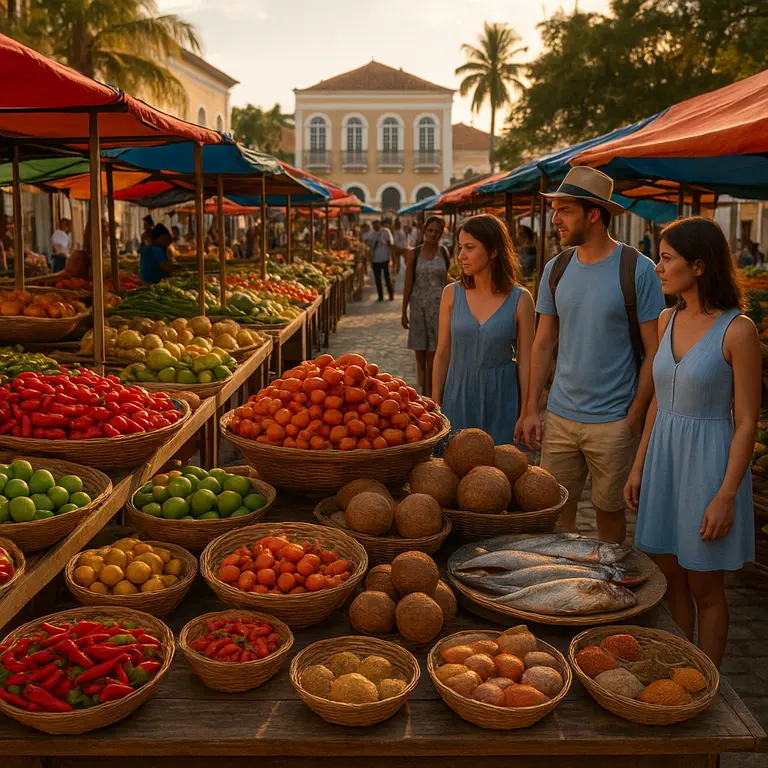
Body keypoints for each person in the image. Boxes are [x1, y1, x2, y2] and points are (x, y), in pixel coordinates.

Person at [625, 217, 760, 668]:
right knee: (671, 577)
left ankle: (711, 687)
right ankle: (678, 673)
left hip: (709, 465)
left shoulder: (738, 331)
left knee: (706, 586)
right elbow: (659, 406)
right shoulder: (666, 319)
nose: (657, 267)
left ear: (699, 265)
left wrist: (726, 496)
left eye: (666, 258)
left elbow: (745, 422)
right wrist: (639, 466)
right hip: (664, 460)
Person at [516, 167, 666, 544]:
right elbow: (543, 342)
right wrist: (532, 407)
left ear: (593, 214)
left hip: (614, 422)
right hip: (561, 418)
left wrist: (632, 418)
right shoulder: (556, 268)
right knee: (555, 515)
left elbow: (655, 352)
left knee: (609, 518)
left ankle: (606, 592)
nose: (555, 219)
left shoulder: (639, 270)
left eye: (565, 210)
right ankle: (563, 587)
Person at [432, 214, 535, 445]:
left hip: (502, 399)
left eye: (470, 247)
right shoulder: (451, 294)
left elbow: (527, 359)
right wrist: (435, 404)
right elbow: (442, 352)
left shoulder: (521, 299)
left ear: (493, 251)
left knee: (498, 474)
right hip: (457, 395)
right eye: (460, 247)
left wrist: (528, 410)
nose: (461, 256)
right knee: (453, 466)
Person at [402, 216, 451, 395]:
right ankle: (423, 384)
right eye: (430, 231)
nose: (433, 234)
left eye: (437, 232)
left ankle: (431, 391)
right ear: (424, 231)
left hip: (439, 309)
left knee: (435, 351)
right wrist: (403, 311)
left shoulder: (444, 253)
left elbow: (449, 280)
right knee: (420, 351)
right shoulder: (414, 254)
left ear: (441, 234)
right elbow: (408, 283)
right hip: (418, 308)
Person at [368, 220, 394, 302]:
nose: (376, 227)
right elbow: (369, 246)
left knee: (387, 278)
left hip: (385, 258)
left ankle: (390, 294)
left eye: (377, 225)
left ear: (380, 225)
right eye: (374, 225)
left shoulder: (385, 231)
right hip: (375, 260)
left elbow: (390, 244)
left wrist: (391, 255)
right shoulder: (371, 234)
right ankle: (380, 296)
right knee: (377, 279)